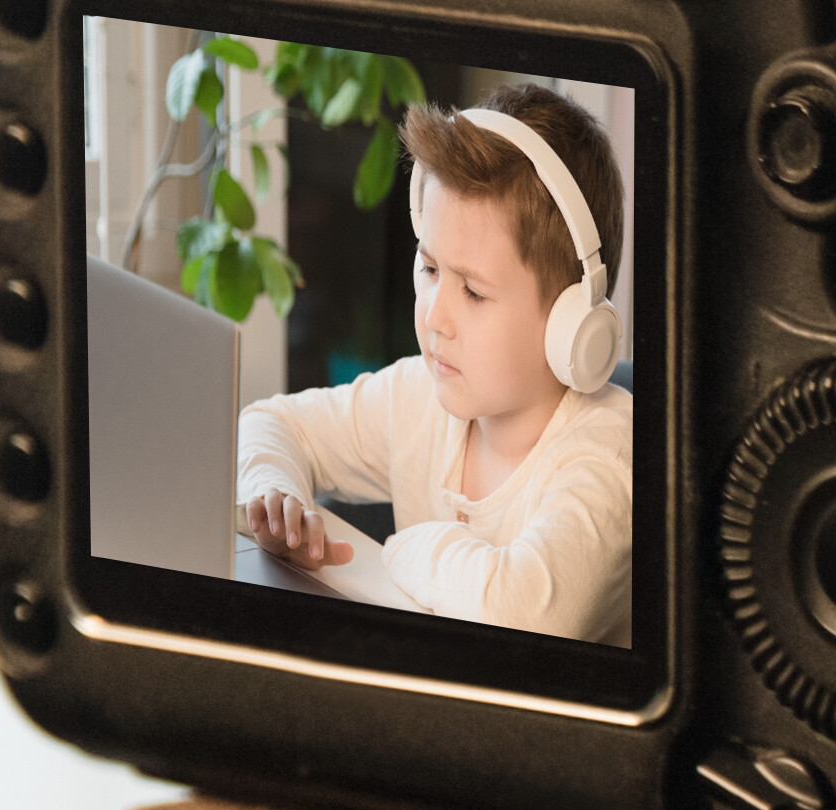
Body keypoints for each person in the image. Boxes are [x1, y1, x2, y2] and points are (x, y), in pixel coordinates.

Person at [232, 91, 633, 639]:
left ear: (574, 325)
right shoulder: (421, 396)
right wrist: (278, 495)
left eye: (474, 291)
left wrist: (405, 552)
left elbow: (522, 615)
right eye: (429, 268)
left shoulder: (611, 456)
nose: (434, 317)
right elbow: (271, 422)